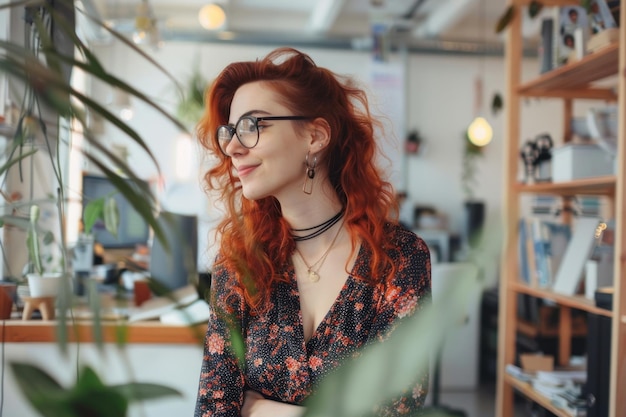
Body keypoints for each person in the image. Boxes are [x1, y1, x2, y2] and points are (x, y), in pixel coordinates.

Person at [194, 47, 431, 417]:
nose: (233, 147)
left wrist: (260, 410)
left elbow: (398, 408)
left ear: (316, 137)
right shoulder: (239, 261)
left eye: (253, 126)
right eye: (230, 132)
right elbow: (213, 407)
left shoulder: (400, 258)